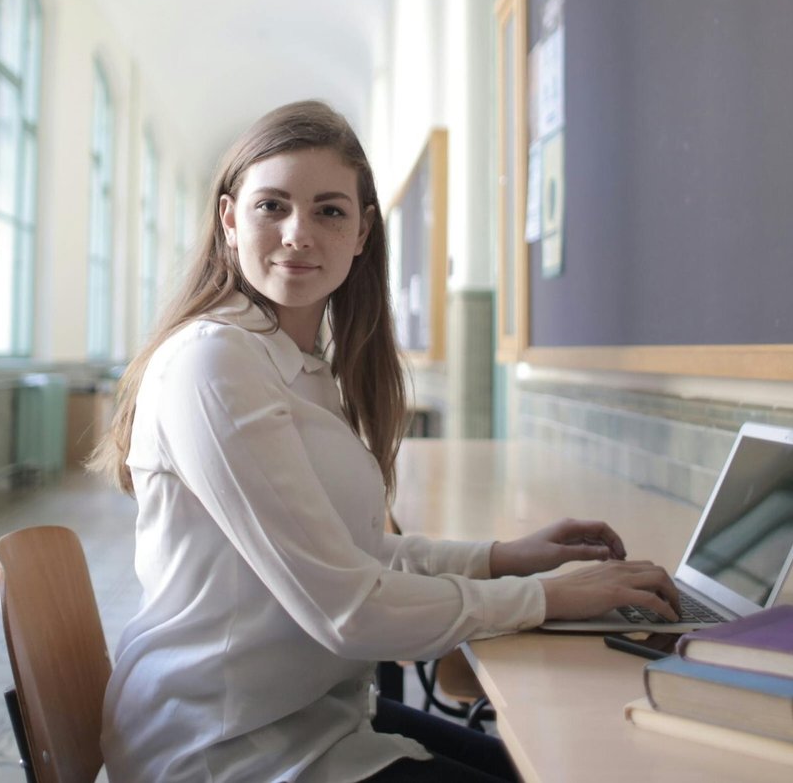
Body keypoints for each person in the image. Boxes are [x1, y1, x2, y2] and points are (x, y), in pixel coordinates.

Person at [90, 100, 679, 782]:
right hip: (224, 751)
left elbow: (351, 556)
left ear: (363, 230)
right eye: (272, 206)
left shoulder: (299, 366)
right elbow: (349, 611)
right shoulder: (214, 363)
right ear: (229, 219)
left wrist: (503, 558)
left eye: (329, 211)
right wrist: (552, 597)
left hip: (310, 719)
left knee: (552, 762)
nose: (298, 234)